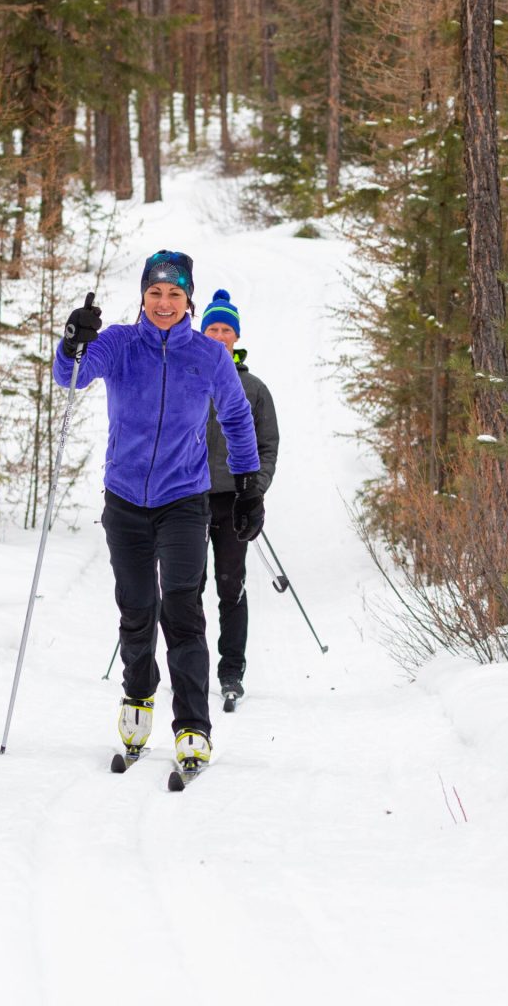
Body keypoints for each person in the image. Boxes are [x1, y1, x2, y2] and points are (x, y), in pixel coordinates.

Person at [57, 252, 265, 775]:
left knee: (182, 609)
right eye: (156, 293)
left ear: (188, 300)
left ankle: (193, 725)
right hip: (124, 499)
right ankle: (138, 696)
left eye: (175, 295)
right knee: (135, 608)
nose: (164, 303)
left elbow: (238, 419)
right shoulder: (121, 345)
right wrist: (73, 342)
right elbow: (72, 377)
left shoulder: (208, 355)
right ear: (143, 297)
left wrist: (247, 486)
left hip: (184, 501)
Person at [198, 289, 279, 710]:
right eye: (212, 327)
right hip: (187, 500)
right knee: (183, 589)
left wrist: (255, 490)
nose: (218, 335)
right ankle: (187, 669)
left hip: (233, 501)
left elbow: (268, 446)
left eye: (226, 329)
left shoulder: (253, 388)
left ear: (236, 337)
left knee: (231, 587)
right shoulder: (184, 378)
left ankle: (231, 672)